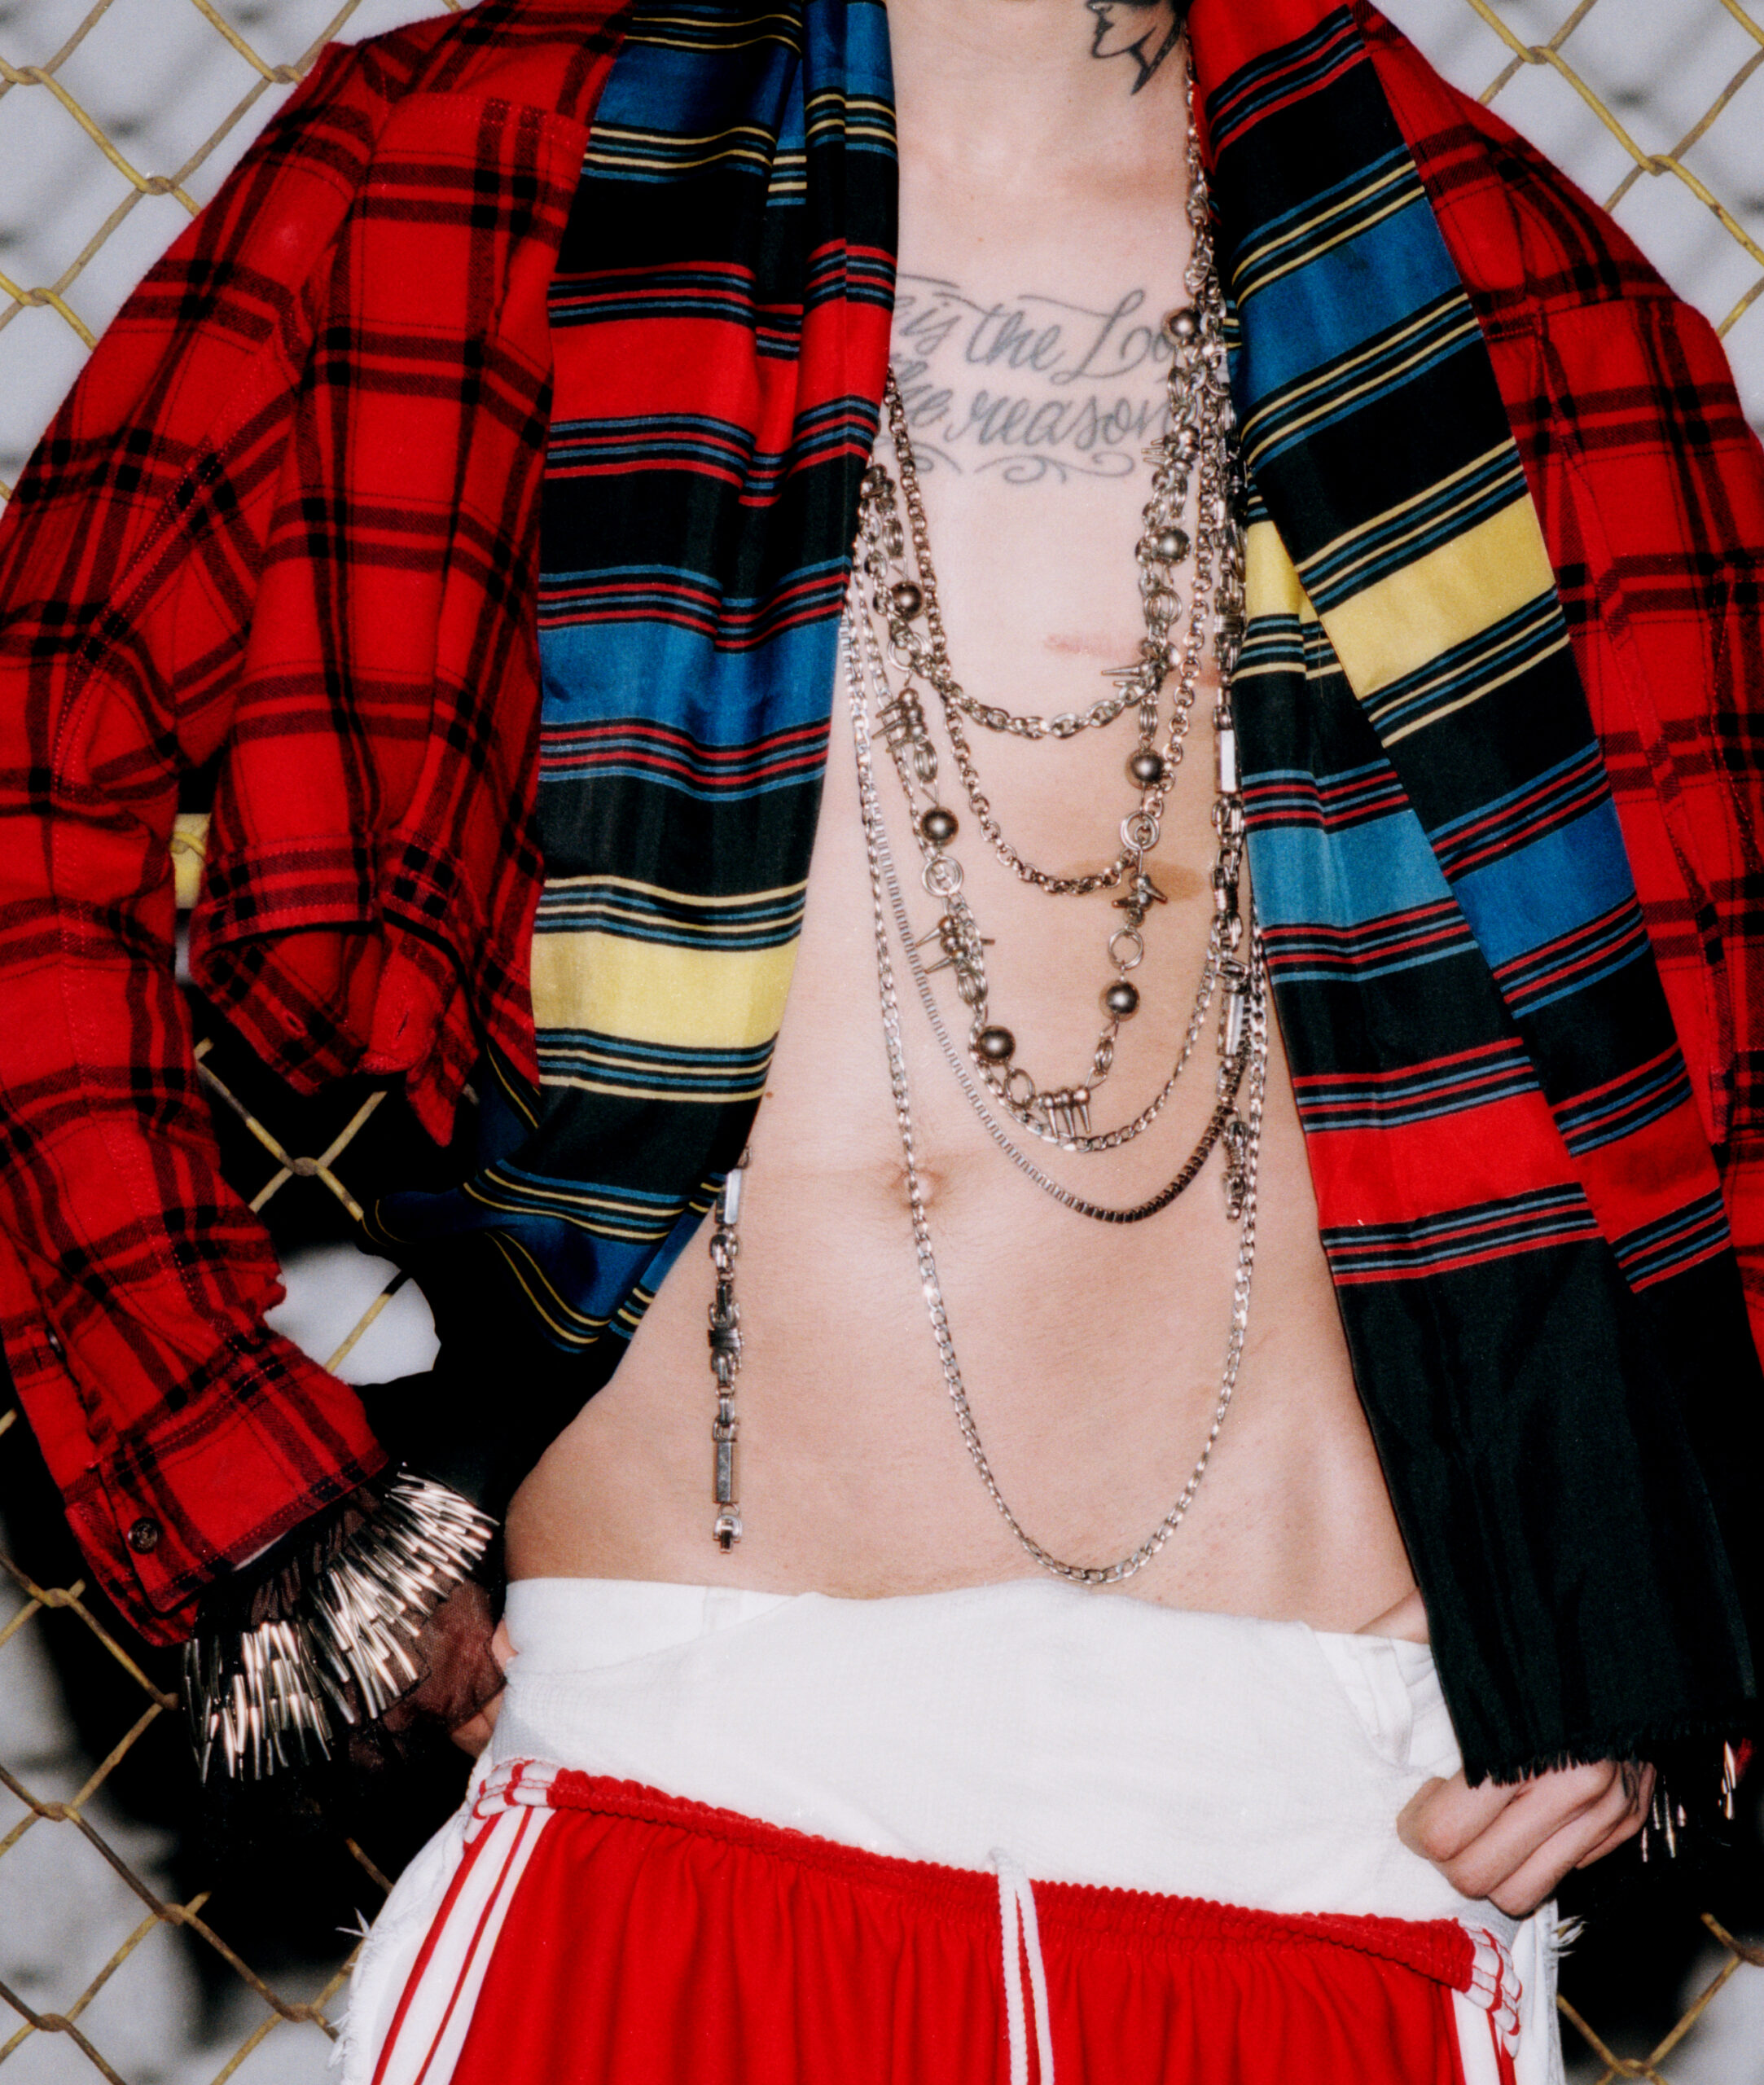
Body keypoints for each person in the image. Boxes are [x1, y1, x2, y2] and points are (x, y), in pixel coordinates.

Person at [1, 0, 1760, 2078]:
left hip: (1327, 1842)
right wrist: (251, 1493)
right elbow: (31, 783)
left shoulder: (1538, 311)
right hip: (683, 1785)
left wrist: (1675, 1623)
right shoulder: (456, 174)